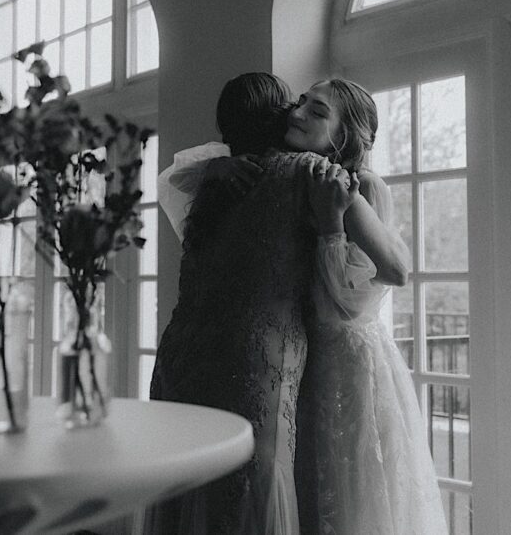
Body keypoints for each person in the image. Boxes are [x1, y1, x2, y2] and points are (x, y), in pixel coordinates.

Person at [157, 76, 446, 534]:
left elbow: (391, 273)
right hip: (280, 358)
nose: (298, 113)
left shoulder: (340, 183)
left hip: (336, 355)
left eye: (316, 110)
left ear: (345, 135)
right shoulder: (252, 173)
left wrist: (332, 221)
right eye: (300, 103)